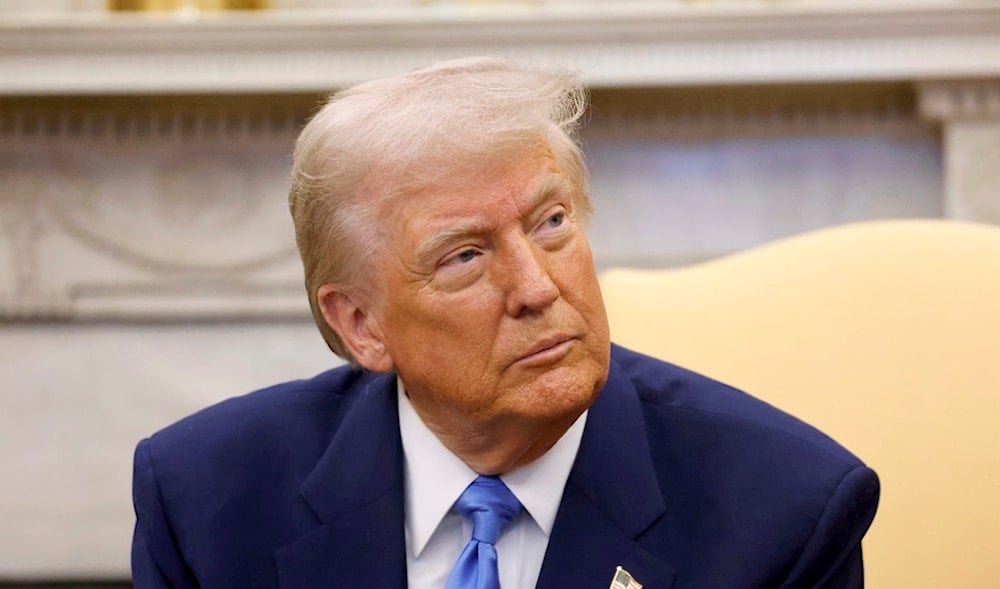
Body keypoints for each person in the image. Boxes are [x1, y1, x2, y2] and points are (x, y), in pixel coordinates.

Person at [131, 57, 879, 588]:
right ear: (361, 323)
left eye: (551, 222)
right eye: (463, 257)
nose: (537, 286)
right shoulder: (207, 500)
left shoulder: (785, 509)